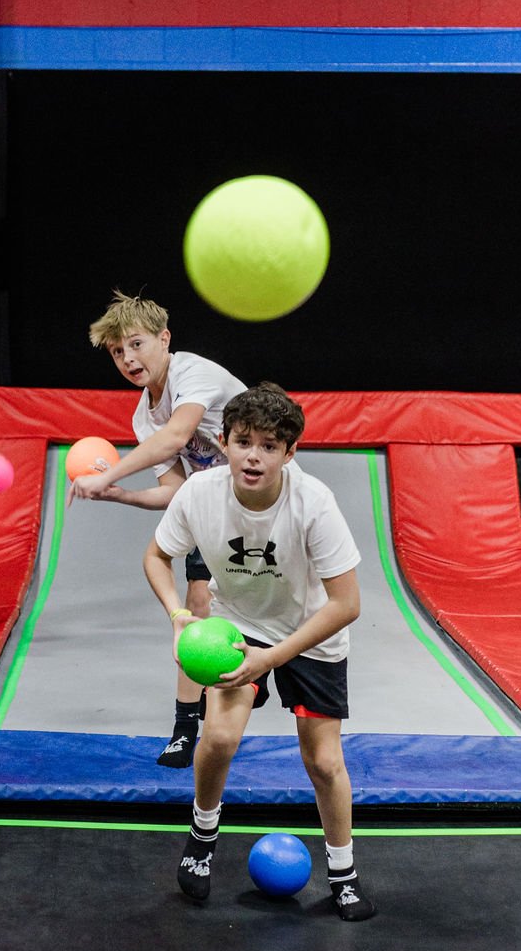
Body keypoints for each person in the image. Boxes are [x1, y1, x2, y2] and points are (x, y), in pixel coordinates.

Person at [144, 382, 376, 922]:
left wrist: (272, 658)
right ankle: (202, 838)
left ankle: (343, 872)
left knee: (323, 761)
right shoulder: (198, 495)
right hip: (238, 624)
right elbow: (156, 557)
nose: (254, 456)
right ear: (223, 442)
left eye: (270, 446)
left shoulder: (314, 503)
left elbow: (346, 604)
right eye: (244, 441)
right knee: (220, 737)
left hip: (311, 629)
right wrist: (180, 617)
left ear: (289, 453)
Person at [74, 290, 245, 767]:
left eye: (136, 344)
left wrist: (108, 474)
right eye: (117, 352)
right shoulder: (141, 414)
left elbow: (176, 434)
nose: (129, 359)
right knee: (196, 604)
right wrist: (122, 495)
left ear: (164, 338)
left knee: (265, 610)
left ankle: (256, 679)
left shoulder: (193, 372)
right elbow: (174, 492)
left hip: (265, 500)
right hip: (213, 503)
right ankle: (185, 728)